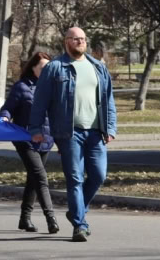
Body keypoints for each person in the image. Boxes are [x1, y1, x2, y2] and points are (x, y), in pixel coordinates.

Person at [29, 26, 117, 242]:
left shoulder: (97, 67)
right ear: (66, 41)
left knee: (98, 175)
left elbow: (109, 99)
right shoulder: (55, 68)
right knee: (75, 178)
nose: (80, 42)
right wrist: (36, 129)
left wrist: (111, 127)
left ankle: (76, 211)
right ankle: (80, 224)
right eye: (75, 39)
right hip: (69, 132)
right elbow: (40, 101)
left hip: (96, 131)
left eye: (83, 39)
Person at [0, 52, 59, 234]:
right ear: (33, 68)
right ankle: (51, 218)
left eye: (48, 67)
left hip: (46, 139)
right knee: (41, 177)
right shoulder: (21, 87)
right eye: (42, 67)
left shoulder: (53, 87)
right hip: (25, 138)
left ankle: (25, 219)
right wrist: (4, 117)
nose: (46, 70)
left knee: (33, 179)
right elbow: (7, 109)